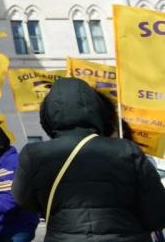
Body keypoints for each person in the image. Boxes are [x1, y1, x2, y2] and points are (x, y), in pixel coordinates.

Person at [12, 77, 165, 241]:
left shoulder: (34, 154)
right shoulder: (127, 150)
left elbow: (23, 200)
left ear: (47, 115)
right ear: (98, 110)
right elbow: (157, 212)